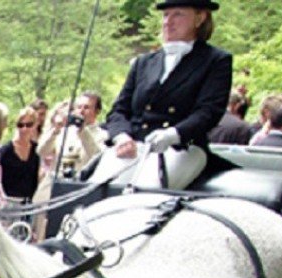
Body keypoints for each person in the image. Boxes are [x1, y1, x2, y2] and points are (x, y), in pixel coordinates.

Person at [99, 0, 231, 190]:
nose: (168, 22)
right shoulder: (143, 62)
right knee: (96, 189)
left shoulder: (215, 61)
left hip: (183, 147)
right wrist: (122, 136)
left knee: (147, 190)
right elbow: (119, 110)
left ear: (200, 18)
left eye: (177, 14)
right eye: (166, 15)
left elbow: (208, 111)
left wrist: (172, 135)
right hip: (133, 146)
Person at [40, 92, 108, 177]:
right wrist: (55, 130)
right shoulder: (63, 132)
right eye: (79, 107)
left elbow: (98, 158)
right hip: (57, 182)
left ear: (97, 111)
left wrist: (83, 131)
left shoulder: (103, 135)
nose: (81, 111)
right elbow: (42, 152)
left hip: (82, 184)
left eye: (86, 107)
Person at [1, 107, 44, 204]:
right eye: (20, 125)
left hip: (28, 203)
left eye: (29, 125)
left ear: (35, 125)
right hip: (8, 202)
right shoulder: (5, 151)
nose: (24, 129)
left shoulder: (37, 150)